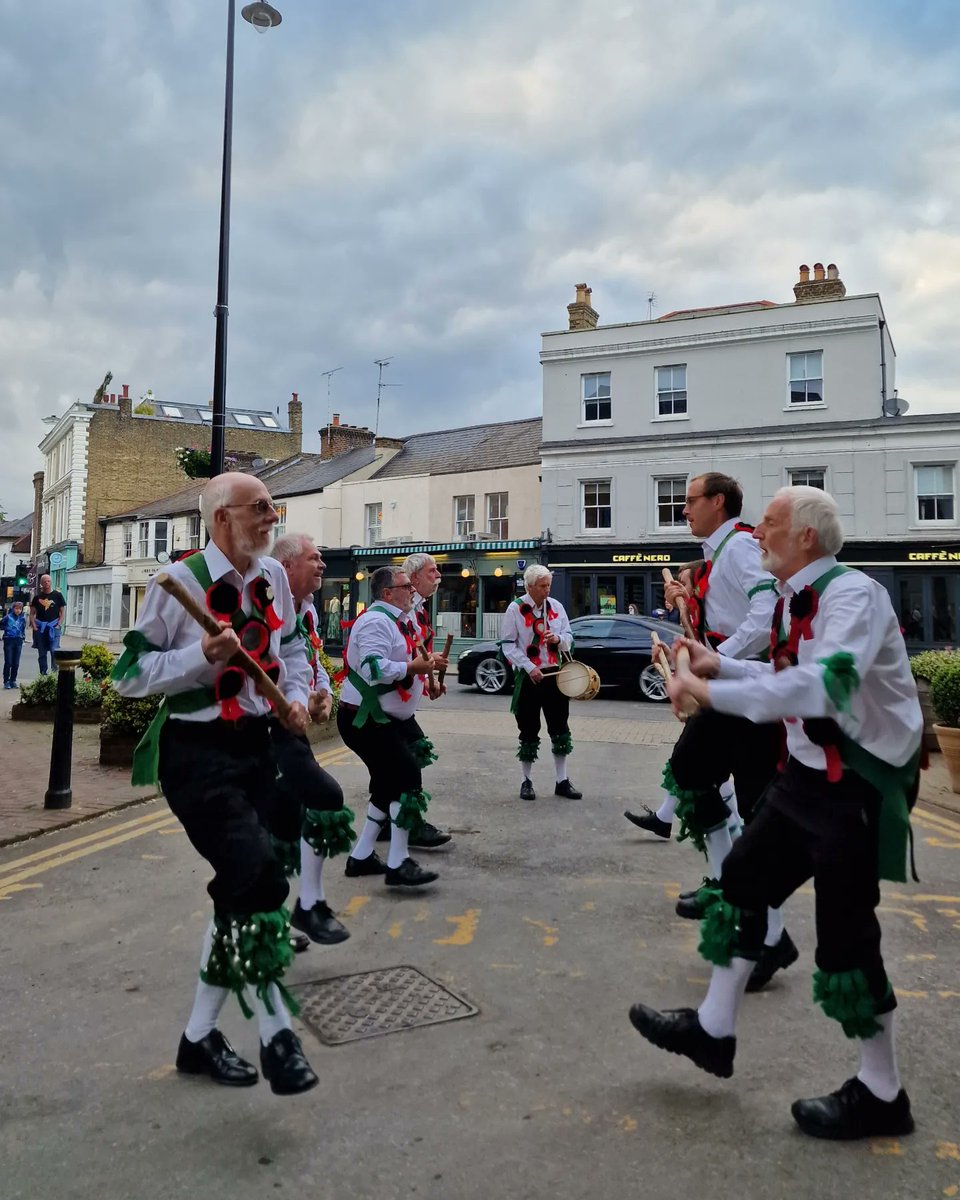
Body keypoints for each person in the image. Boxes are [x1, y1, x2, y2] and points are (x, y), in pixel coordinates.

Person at [628, 486, 923, 1140]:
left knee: (847, 946)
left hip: (858, 787)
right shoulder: (791, 599)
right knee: (741, 882)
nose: (756, 533)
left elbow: (823, 685)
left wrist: (706, 687)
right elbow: (778, 675)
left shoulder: (853, 597)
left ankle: (882, 1094)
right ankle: (714, 1030)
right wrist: (717, 663)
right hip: (806, 778)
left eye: (768, 525)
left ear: (806, 538)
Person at [112, 473, 319, 1097]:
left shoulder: (274, 579)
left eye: (272, 507)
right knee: (259, 878)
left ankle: (199, 1038)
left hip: (255, 748)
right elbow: (129, 673)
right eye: (259, 508)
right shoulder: (174, 586)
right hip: (196, 756)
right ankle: (279, 1036)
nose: (270, 517)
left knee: (239, 888)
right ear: (220, 519)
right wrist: (200, 657)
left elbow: (292, 653)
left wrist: (300, 697)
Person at [270, 533, 353, 946]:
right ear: (286, 566)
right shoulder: (268, 603)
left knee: (281, 825)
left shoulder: (308, 611)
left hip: (291, 726)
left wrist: (323, 696)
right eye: (314, 558)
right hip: (264, 727)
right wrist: (299, 697)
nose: (322, 565)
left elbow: (309, 660)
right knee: (325, 796)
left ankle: (279, 921)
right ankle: (308, 905)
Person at [339, 566, 443, 888]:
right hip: (365, 719)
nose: (411, 590)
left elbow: (402, 665)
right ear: (387, 593)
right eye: (405, 586)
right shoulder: (375, 621)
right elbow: (373, 668)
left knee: (387, 785)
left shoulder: (394, 622)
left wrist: (426, 671)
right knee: (404, 776)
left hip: (381, 719)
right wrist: (412, 666)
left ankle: (361, 857)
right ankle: (398, 862)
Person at [500, 565, 582, 801]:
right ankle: (526, 781)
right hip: (529, 677)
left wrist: (558, 638)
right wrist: (529, 666)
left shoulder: (556, 607)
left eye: (549, 585)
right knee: (528, 729)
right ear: (529, 586)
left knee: (560, 727)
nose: (548, 590)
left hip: (555, 675)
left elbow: (569, 636)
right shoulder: (515, 609)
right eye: (543, 586)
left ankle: (562, 780)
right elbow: (508, 644)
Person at [30, 575, 66, 675]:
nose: (47, 583)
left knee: (54, 651)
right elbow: (32, 613)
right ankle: (43, 674)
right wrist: (34, 626)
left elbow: (62, 612)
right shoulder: (37, 598)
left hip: (53, 627)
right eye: (45, 581)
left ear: (51, 582)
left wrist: (59, 625)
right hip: (40, 628)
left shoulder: (57, 595)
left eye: (49, 581)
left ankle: (54, 674)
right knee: (42, 653)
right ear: (41, 583)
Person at [2, 600, 27, 689]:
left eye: (20, 609)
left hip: (18, 641)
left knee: (16, 663)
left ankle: (13, 680)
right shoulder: (7, 618)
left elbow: (23, 628)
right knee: (8, 662)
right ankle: (6, 681)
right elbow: (2, 626)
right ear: (13, 609)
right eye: (16, 608)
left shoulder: (23, 618)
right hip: (9, 640)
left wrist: (23, 637)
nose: (18, 610)